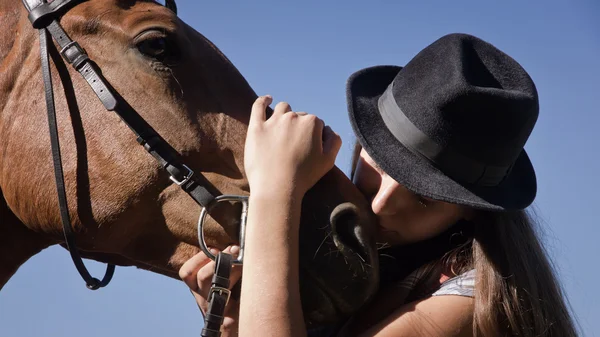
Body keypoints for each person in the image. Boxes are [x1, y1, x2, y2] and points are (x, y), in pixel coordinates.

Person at [179, 33, 577, 336]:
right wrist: (231, 322)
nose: (381, 204)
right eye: (377, 164)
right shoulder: (368, 267)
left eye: (422, 197)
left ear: (472, 209)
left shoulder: (468, 304)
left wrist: (274, 193)